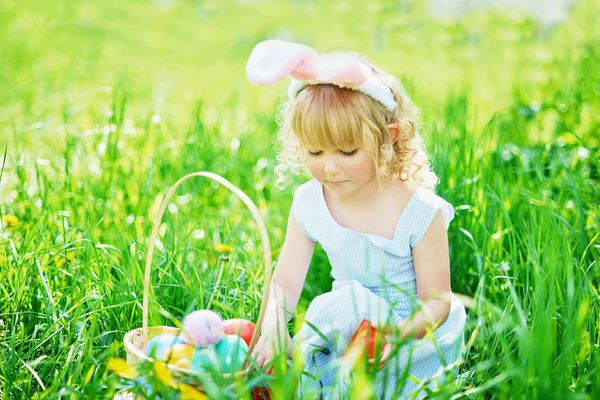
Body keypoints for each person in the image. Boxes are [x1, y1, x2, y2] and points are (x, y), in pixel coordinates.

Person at [246, 39, 467, 399]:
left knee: (340, 310)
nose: (329, 167)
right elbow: (285, 284)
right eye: (314, 151)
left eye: (347, 151)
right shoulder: (309, 201)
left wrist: (398, 335)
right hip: (347, 324)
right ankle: (296, 379)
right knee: (337, 311)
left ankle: (314, 380)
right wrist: (272, 324)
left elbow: (437, 301)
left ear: (387, 140)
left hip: (410, 337)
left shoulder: (420, 211)